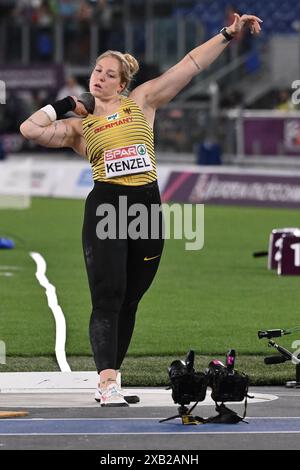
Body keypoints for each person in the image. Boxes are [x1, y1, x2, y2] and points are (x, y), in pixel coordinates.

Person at [20, 12, 262, 407]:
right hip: (107, 208)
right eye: (96, 71)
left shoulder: (141, 102)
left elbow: (190, 65)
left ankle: (112, 378)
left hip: (147, 208)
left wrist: (227, 35)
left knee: (131, 298)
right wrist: (65, 103)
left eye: (108, 74)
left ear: (123, 82)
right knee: (108, 295)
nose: (98, 77)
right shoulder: (80, 128)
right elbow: (29, 130)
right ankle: (106, 380)